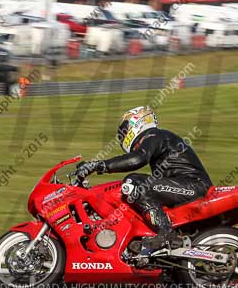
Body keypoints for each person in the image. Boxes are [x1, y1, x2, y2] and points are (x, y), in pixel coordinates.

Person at [76, 106, 213, 253]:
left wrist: (99, 165)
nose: (122, 137)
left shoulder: (154, 135)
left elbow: (137, 159)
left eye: (124, 131)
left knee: (135, 182)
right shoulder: (157, 138)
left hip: (193, 186)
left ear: (137, 124)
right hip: (186, 186)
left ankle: (166, 234)